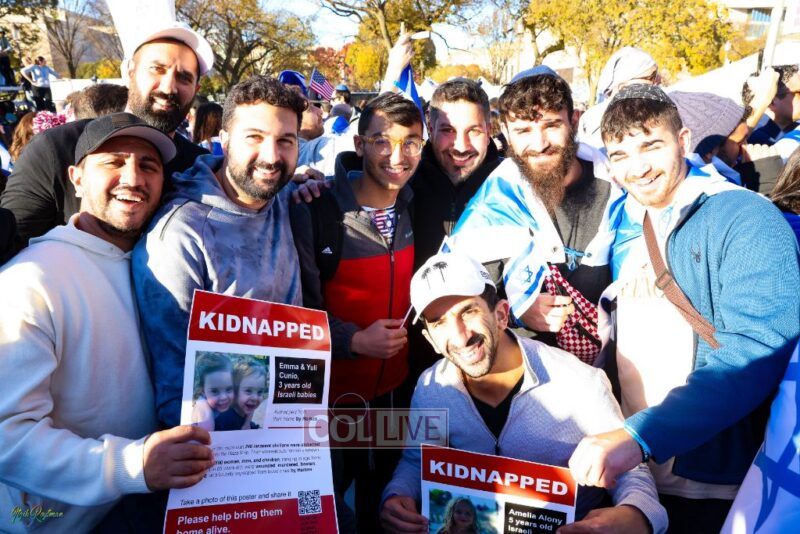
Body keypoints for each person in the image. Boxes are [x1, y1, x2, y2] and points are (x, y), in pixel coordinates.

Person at [568, 84, 800, 532]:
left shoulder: (744, 217)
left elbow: (755, 350)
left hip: (713, 482)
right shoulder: (634, 218)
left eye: (650, 146)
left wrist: (641, 435)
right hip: (639, 474)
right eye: (620, 155)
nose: (637, 168)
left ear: (683, 140)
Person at [0, 112, 214, 533]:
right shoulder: (30, 280)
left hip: (156, 506)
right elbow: (9, 438)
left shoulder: (161, 263)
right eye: (113, 162)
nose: (133, 178)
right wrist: (132, 465)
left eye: (148, 166)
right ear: (76, 178)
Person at [379, 252, 666, 534]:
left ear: (502, 314)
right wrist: (397, 495)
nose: (459, 335)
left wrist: (636, 514)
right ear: (430, 339)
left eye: (468, 311)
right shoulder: (431, 388)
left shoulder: (579, 382)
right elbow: (417, 460)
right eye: (439, 322)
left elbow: (632, 470)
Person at [133, 75, 305, 429]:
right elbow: (175, 382)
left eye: (285, 141)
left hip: (289, 424)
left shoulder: (288, 200)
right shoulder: (180, 234)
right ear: (224, 141)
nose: (271, 157)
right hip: (221, 442)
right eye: (254, 137)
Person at [290, 92, 423, 533]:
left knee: (382, 503)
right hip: (329, 403)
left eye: (410, 142)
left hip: (393, 395)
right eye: (382, 141)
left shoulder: (414, 203)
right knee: (324, 510)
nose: (397, 156)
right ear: (360, 143)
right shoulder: (316, 208)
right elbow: (295, 311)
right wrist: (354, 340)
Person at [447, 70, 623, 366]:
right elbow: (459, 293)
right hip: (528, 370)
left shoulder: (620, 183)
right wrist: (517, 310)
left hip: (618, 366)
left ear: (574, 121)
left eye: (551, 125)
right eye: (524, 131)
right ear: (506, 132)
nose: (539, 144)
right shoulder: (495, 199)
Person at [1, 22, 214, 248]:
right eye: (157, 69)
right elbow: (14, 246)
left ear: (196, 90)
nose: (169, 87)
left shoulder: (202, 168)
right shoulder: (56, 147)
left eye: (184, 77)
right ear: (130, 73)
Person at [578, 47, 659, 148]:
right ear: (623, 86)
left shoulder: (656, 113)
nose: (658, 81)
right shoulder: (594, 122)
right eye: (651, 77)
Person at [215, 356, 268, 431]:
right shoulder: (226, 419)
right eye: (248, 391)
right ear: (234, 391)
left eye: (259, 392)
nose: (255, 398)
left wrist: (247, 423)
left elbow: (251, 410)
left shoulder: (246, 405)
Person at [191, 352, 235, 432]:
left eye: (228, 389)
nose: (223, 397)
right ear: (203, 391)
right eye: (215, 391)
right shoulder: (204, 410)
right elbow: (207, 438)